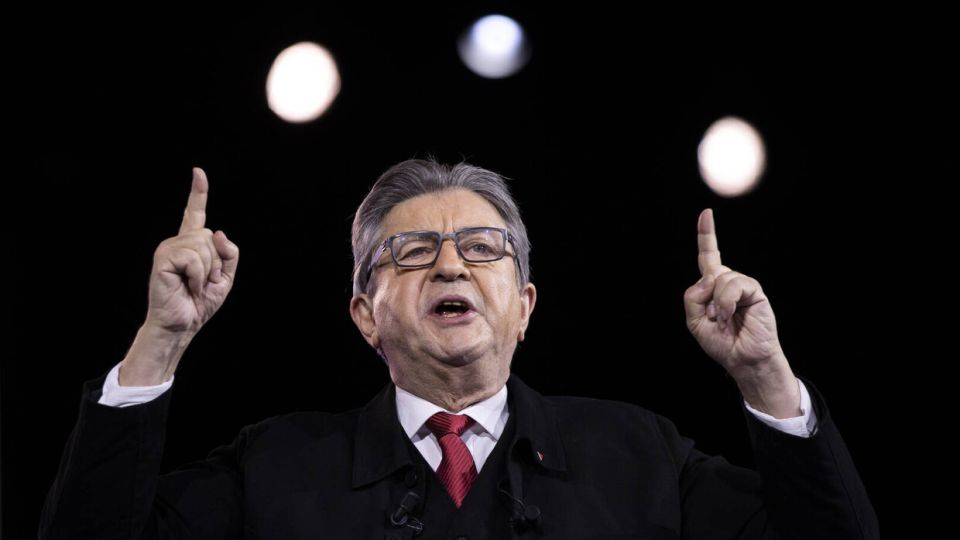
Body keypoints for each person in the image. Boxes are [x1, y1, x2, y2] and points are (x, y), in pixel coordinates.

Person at [39, 159, 879, 539]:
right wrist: (161, 342)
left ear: (525, 307)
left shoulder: (640, 453)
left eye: (482, 248)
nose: (450, 265)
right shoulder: (275, 465)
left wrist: (766, 375)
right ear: (365, 316)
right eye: (412, 252)